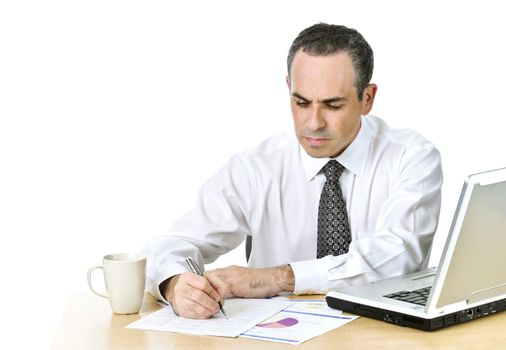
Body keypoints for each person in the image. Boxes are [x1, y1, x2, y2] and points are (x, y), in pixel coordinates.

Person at [142, 23, 443, 319]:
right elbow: (170, 247)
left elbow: (399, 256)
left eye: (333, 105)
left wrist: (276, 278)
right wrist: (175, 285)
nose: (313, 122)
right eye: (301, 102)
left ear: (367, 98)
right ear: (288, 88)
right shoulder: (256, 168)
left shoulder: (411, 156)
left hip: (381, 337)